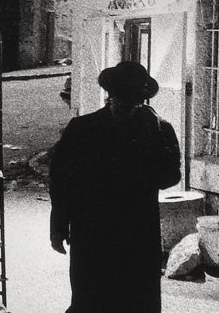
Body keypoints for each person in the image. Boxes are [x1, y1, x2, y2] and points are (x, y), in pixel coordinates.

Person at [49, 61, 182, 313]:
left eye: (134, 99)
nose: (127, 104)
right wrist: (58, 223)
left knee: (138, 300)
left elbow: (169, 178)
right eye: (121, 97)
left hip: (137, 232)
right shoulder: (82, 129)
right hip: (92, 230)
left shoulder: (159, 130)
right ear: (110, 95)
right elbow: (61, 178)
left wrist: (155, 140)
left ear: (142, 99)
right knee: (90, 299)